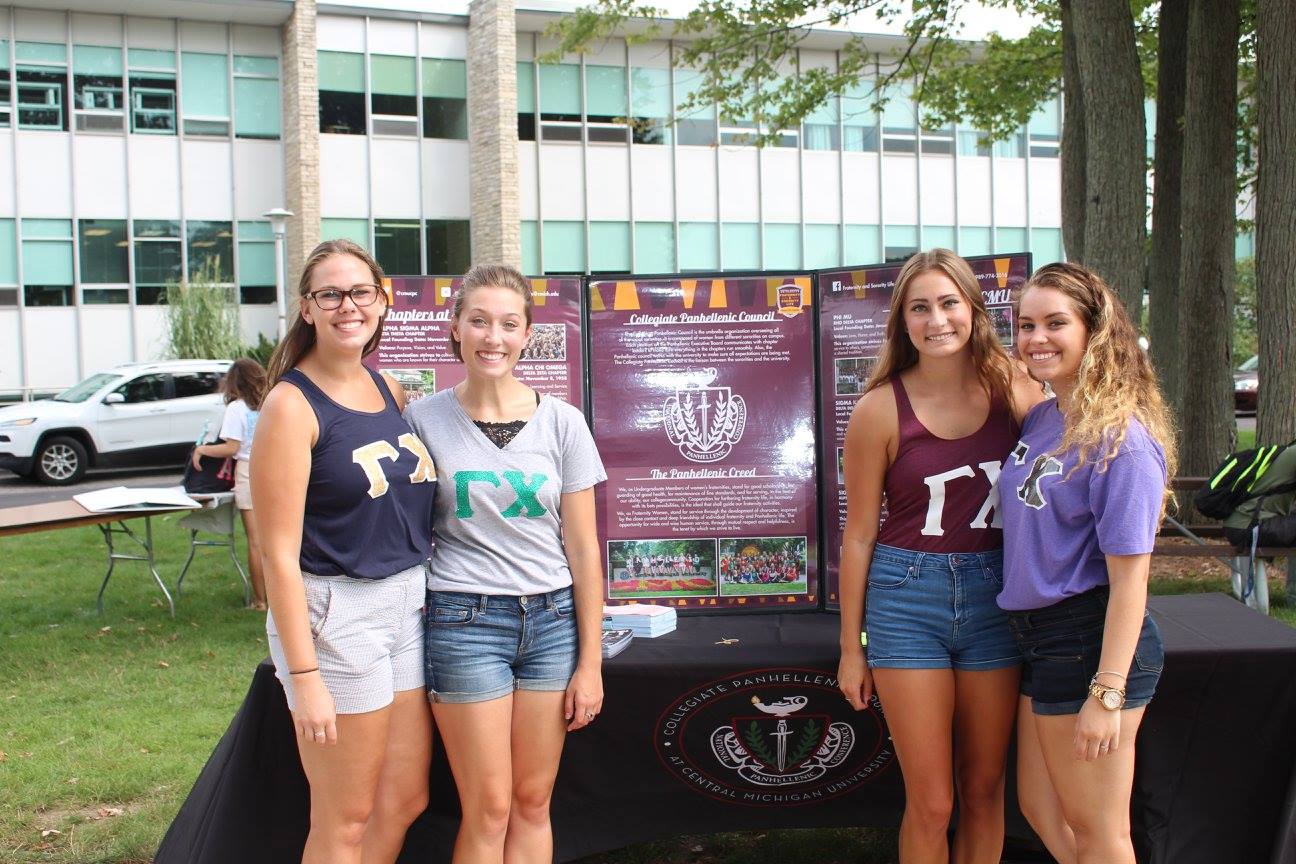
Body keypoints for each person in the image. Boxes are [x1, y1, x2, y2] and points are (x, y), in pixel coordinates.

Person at [837, 248, 1044, 863]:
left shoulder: (1016, 391)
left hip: (994, 593)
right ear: (902, 320)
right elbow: (858, 535)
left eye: (949, 303)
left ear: (974, 310)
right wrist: (853, 647)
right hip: (907, 597)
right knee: (932, 803)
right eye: (919, 307)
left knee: (984, 789)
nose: (937, 320)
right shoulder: (879, 408)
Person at [404, 264, 606, 864]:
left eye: (508, 324)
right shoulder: (422, 420)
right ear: (457, 329)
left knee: (531, 799)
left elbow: (585, 548)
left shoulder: (564, 422)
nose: (493, 336)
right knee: (488, 808)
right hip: (464, 622)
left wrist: (590, 662)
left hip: (552, 623)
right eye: (479, 321)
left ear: (527, 335)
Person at [252, 240, 436, 864]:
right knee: (344, 819)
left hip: (405, 608)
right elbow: (276, 554)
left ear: (382, 301)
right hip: (336, 616)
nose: (346, 305)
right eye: (329, 294)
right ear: (307, 308)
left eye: (360, 292)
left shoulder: (384, 387)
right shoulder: (290, 404)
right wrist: (303, 679)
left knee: (403, 799)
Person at [999, 262, 1174, 864]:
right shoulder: (1045, 416)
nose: (1036, 338)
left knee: (1099, 831)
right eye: (1025, 325)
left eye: (1055, 323)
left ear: (1093, 332)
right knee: (1041, 809)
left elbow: (1132, 582)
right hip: (1039, 636)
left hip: (1089, 638)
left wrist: (1107, 693)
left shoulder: (1120, 439)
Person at [191, 358, 268, 609]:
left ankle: (260, 601)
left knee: (256, 542)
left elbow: (232, 447)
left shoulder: (236, 408)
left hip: (248, 471)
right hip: (276, 468)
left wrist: (202, 450)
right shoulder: (273, 402)